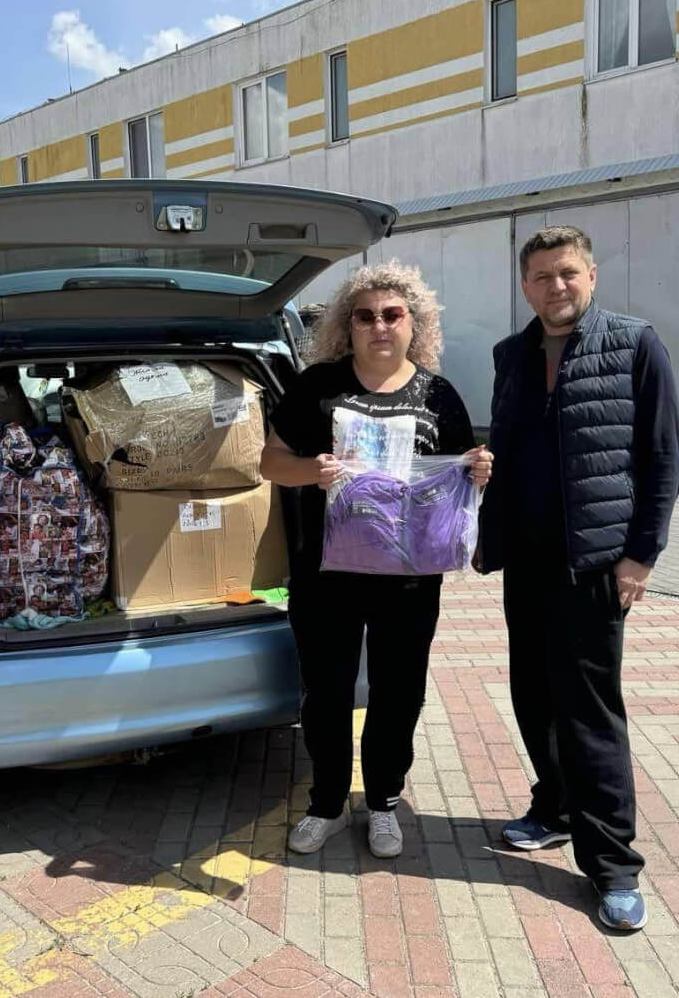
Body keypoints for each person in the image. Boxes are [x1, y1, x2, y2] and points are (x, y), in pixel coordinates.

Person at [476, 227, 679, 931]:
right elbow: (506, 446)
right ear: (525, 286)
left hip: (594, 565)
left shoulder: (634, 343)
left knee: (590, 712)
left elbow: (660, 458)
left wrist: (641, 557)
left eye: (567, 273)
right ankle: (555, 809)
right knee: (533, 695)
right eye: (540, 276)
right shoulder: (513, 355)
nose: (555, 287)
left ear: (589, 275)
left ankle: (613, 864)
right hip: (526, 562)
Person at [261, 261, 492, 858]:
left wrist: (479, 474)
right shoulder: (319, 386)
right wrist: (311, 471)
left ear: (415, 323)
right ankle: (329, 803)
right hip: (326, 573)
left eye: (392, 315)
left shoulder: (438, 394)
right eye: (365, 316)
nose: (379, 326)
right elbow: (270, 463)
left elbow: (459, 477)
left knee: (399, 691)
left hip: (409, 579)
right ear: (348, 325)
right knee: (327, 690)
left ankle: (384, 800)